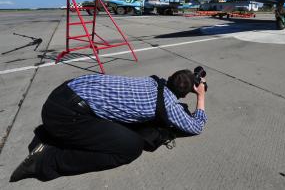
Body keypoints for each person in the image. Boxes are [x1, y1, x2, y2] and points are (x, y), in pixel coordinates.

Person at [10, 68, 207, 182]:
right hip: (65, 116)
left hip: (60, 95)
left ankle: (51, 137)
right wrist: (201, 96)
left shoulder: (153, 82)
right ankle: (45, 162)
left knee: (118, 126)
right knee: (131, 147)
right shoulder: (168, 106)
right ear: (184, 93)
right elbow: (196, 126)